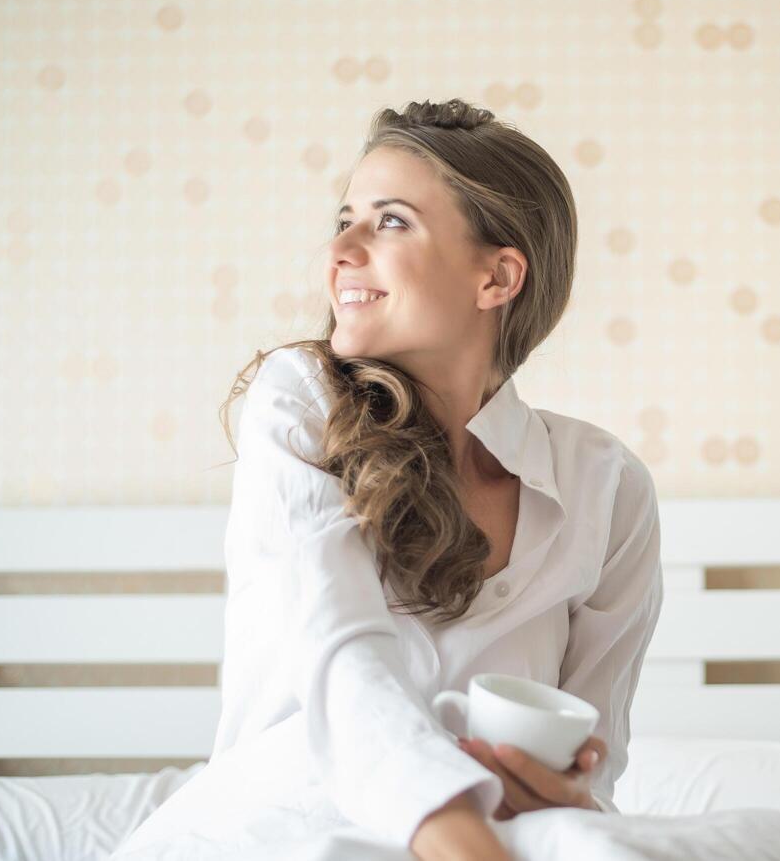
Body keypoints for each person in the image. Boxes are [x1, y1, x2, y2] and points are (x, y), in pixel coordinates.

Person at [110, 99, 663, 861]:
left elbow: (593, 755)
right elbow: (345, 662)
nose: (339, 247)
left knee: (775, 839)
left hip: (509, 835)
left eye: (390, 220)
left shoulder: (606, 485)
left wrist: (565, 794)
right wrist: (467, 840)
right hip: (293, 823)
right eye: (344, 218)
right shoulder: (301, 400)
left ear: (496, 277)